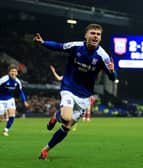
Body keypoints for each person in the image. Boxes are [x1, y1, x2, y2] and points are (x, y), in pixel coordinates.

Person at [33, 23, 117, 160]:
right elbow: (59, 46)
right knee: (66, 117)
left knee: (67, 126)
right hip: (69, 88)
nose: (95, 36)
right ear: (86, 35)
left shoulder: (103, 56)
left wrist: (113, 72)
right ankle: (57, 115)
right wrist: (43, 42)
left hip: (85, 96)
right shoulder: (76, 46)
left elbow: (113, 78)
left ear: (100, 38)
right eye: (93, 33)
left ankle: (45, 149)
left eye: (98, 34)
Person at [0, 64, 29, 136]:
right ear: (9, 72)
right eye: (12, 71)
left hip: (10, 99)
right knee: (1, 119)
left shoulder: (18, 82)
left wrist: (24, 101)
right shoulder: (3, 79)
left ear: (17, 73)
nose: (13, 73)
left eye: (15, 71)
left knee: (12, 115)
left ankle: (6, 130)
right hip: (1, 100)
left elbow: (21, 92)